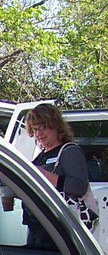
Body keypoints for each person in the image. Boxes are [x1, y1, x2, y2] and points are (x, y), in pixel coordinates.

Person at [22, 103, 98, 243]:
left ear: (56, 125)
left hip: (60, 229)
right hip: (38, 226)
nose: (39, 134)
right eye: (35, 129)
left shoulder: (69, 151)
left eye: (43, 128)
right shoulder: (41, 155)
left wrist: (43, 175)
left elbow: (79, 186)